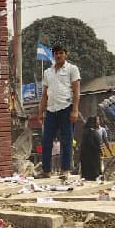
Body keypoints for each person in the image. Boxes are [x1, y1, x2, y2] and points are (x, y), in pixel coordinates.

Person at [38, 43, 81, 178]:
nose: (58, 55)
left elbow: (76, 91)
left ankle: (65, 170)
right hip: (51, 110)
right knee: (46, 141)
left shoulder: (72, 69)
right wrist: (40, 112)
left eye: (61, 53)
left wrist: (75, 110)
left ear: (65, 54)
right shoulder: (48, 72)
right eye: (56, 53)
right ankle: (46, 171)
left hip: (66, 108)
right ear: (53, 55)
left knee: (66, 140)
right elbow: (44, 94)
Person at [79, 116, 103, 180]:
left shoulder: (86, 131)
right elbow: (94, 143)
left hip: (86, 155)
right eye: (97, 120)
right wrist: (99, 149)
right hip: (93, 155)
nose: (99, 122)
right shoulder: (92, 131)